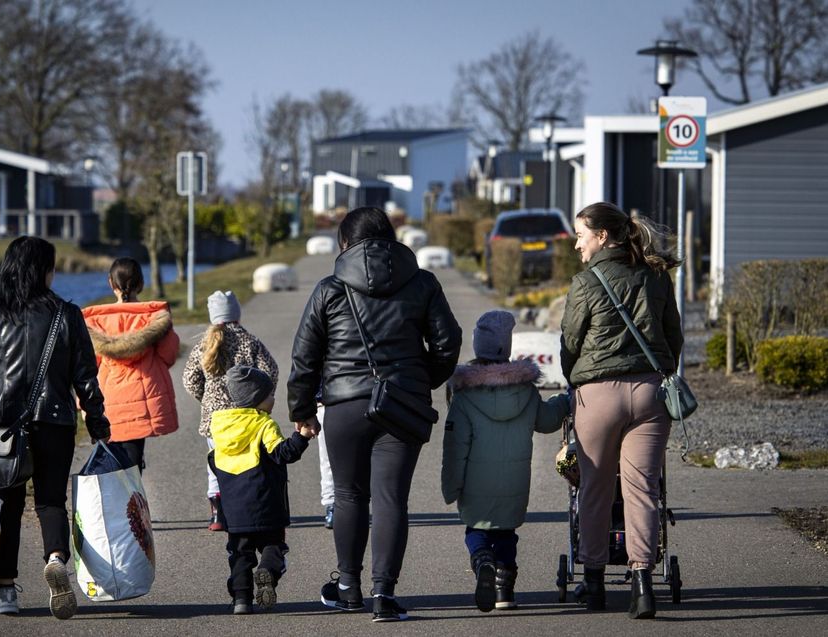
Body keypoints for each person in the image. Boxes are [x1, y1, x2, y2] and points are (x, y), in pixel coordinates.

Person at [287, 207, 462, 622]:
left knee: (348, 495)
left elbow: (304, 356)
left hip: (344, 406)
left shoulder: (329, 289)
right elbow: (447, 344)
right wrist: (421, 382)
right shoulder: (422, 283)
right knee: (390, 498)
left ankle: (348, 587)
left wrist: (301, 409)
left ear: (344, 243)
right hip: (401, 406)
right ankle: (384, 595)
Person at [0, 236, 110, 620]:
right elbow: (85, 375)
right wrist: (96, 418)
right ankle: (56, 558)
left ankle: (6, 591)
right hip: (54, 421)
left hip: (0, 427)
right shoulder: (66, 314)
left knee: (6, 507)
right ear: (43, 270)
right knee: (51, 501)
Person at [559, 202, 683, 620]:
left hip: (598, 396)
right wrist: (660, 371)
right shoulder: (657, 276)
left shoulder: (586, 282)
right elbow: (673, 337)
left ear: (603, 236)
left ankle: (593, 584)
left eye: (581, 235)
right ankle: (643, 585)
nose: (577, 243)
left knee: (593, 489)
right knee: (642, 489)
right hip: (650, 393)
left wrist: (574, 378)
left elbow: (571, 343)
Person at [441, 310, 570, 613]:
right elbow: (547, 420)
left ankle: (482, 560)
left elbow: (455, 447)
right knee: (507, 533)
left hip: (475, 483)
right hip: (514, 482)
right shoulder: (525, 389)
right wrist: (565, 401)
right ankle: (504, 590)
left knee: (477, 530)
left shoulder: (464, 394)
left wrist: (452, 486)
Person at [209, 366, 315, 614]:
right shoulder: (264, 424)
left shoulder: (221, 427)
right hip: (265, 503)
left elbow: (214, 461)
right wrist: (302, 436)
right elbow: (283, 453)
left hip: (234, 509)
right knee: (273, 546)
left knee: (239, 553)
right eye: (269, 395)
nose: (273, 399)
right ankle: (267, 570)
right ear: (255, 399)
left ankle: (241, 600)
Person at [183, 290, 278, 531]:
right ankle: (245, 509)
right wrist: (260, 398)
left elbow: (189, 379)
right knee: (246, 464)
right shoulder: (251, 342)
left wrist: (206, 399)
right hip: (246, 417)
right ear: (237, 314)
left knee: (216, 464)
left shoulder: (204, 344)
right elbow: (271, 371)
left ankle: (217, 514)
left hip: (215, 421)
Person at [82, 258, 179, 472]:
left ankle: (117, 502)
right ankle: (133, 501)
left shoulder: (95, 323)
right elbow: (169, 355)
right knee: (133, 461)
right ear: (141, 284)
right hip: (143, 399)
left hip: (109, 400)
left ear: (111, 283)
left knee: (113, 458)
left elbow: (86, 369)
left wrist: (83, 406)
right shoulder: (154, 319)